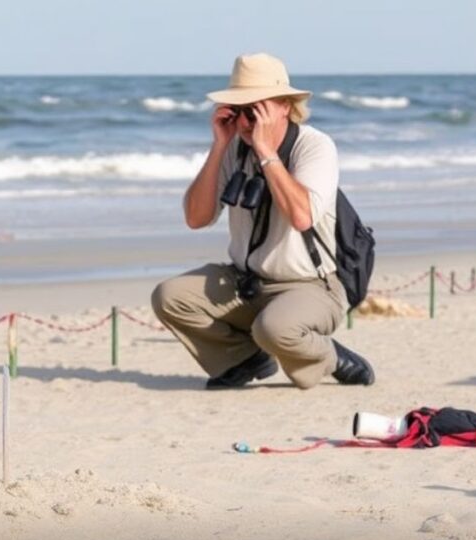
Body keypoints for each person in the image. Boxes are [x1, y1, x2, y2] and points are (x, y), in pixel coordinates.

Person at [151, 53, 374, 390]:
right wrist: (218, 146)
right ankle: (245, 359)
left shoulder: (314, 146)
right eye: (238, 109)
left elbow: (302, 216)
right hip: (248, 281)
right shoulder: (234, 149)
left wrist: (267, 153)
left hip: (311, 286)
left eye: (255, 109)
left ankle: (332, 357)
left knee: (275, 330)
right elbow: (196, 218)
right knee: (170, 296)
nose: (245, 121)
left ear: (284, 106)